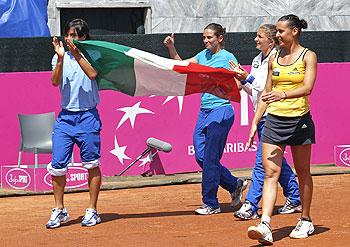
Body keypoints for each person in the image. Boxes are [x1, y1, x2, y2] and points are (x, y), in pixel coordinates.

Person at [247, 14, 317, 245]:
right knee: (270, 173)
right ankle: (265, 223)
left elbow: (307, 88)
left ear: (294, 31)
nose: (277, 35)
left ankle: (305, 219)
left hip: (299, 121)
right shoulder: (274, 57)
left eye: (281, 31)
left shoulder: (308, 56)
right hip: (274, 121)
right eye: (276, 31)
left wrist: (283, 94)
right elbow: (267, 93)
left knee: (303, 172)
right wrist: (255, 121)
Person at [163, 23, 247, 215]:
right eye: (204, 37)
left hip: (221, 111)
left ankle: (211, 203)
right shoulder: (202, 55)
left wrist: (222, 90)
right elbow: (182, 66)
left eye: (209, 37)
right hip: (204, 112)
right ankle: (234, 184)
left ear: (220, 38)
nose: (206, 40)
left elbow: (240, 82)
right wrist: (171, 48)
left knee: (209, 158)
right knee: (201, 156)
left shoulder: (228, 58)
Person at [230, 24, 301, 221]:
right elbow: (255, 91)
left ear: (270, 41)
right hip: (261, 115)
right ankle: (295, 198)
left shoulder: (275, 58)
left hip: (274, 115)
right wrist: (242, 81)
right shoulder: (256, 59)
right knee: (275, 160)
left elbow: (264, 86)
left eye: (259, 36)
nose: (256, 39)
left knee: (262, 162)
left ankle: (251, 205)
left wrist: (247, 77)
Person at [46, 19, 102, 228]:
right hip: (65, 119)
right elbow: (54, 81)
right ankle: (60, 210)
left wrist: (77, 54)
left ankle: (92, 210)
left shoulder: (92, 55)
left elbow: (93, 74)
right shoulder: (58, 56)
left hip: (88, 117)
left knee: (91, 165)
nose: (70, 39)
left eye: (75, 35)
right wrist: (61, 58)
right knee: (58, 166)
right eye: (68, 35)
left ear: (84, 37)